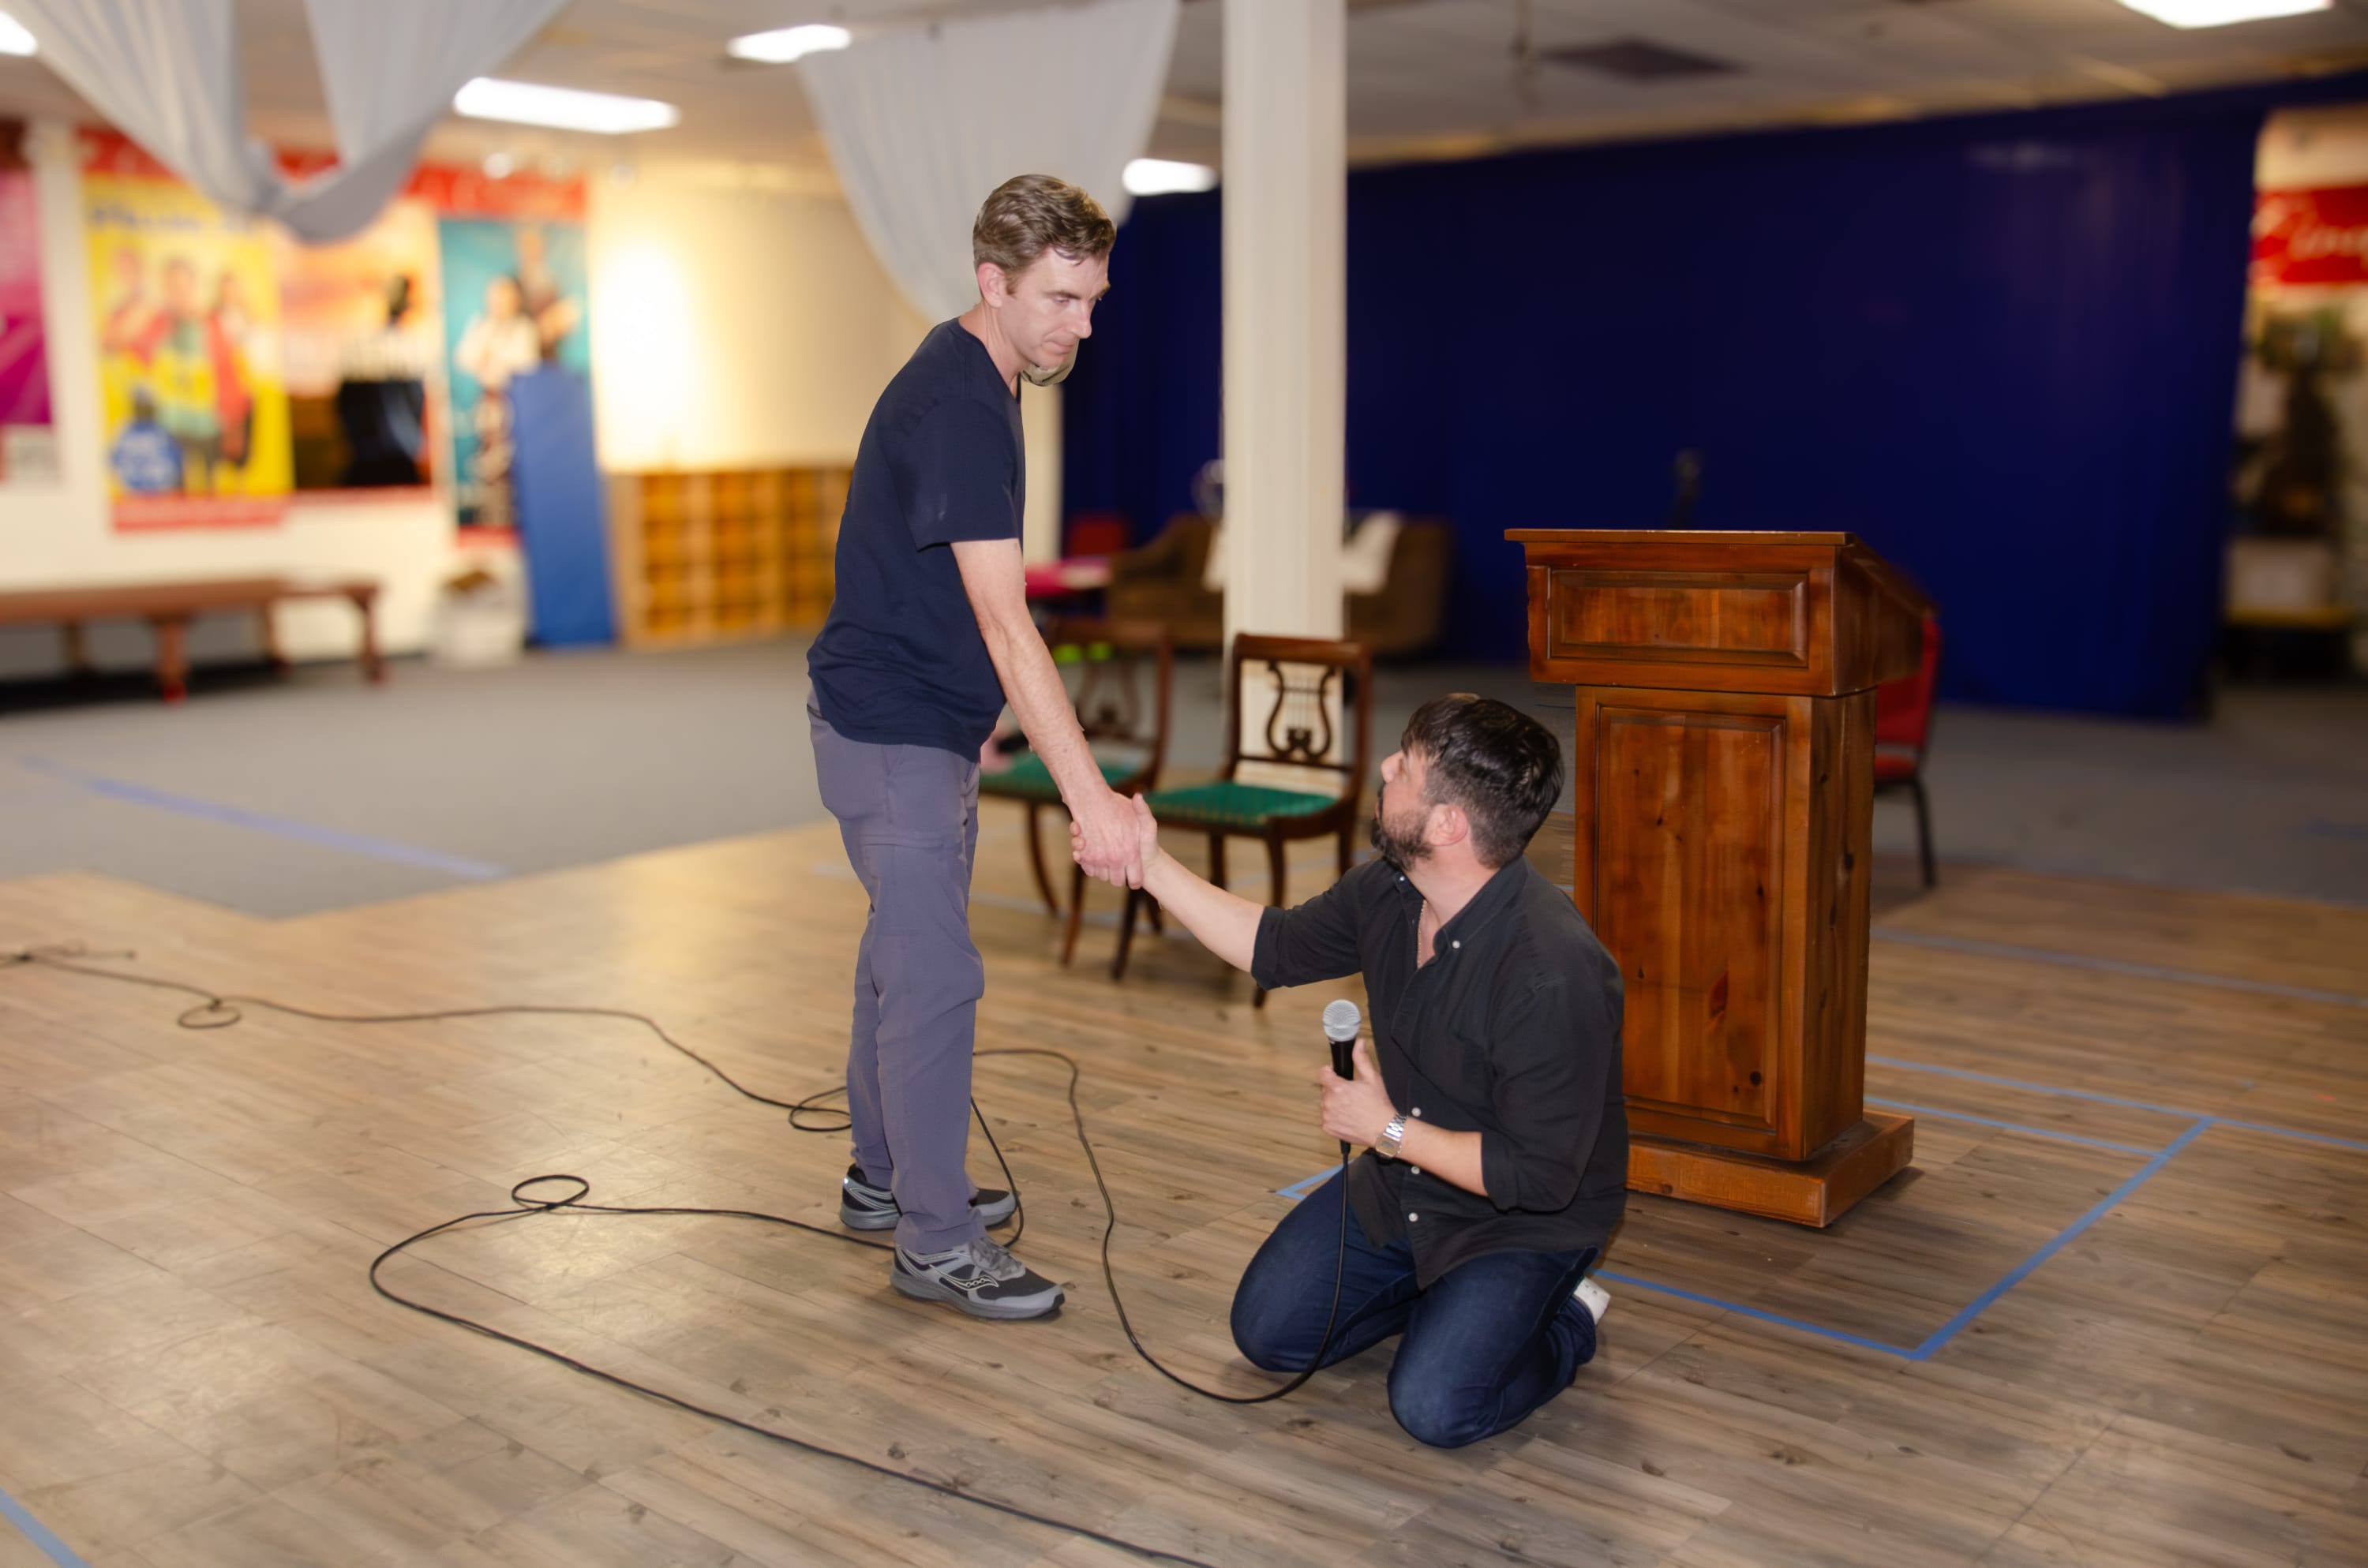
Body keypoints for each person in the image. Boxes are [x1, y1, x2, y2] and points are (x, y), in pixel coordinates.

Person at [805, 174, 1141, 1322]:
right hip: (888, 733)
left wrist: (981, 723)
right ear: (991, 282)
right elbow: (1008, 619)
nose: (1081, 325)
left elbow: (948, 596)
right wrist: (1090, 797)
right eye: (1060, 298)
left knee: (899, 958)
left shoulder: (988, 376)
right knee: (936, 973)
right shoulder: (954, 401)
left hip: (924, 724)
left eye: (1093, 299)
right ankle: (935, 1240)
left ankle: (883, 1178)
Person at [1115, 694, 1627, 1446]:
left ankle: (1567, 1319)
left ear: (1448, 825)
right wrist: (1149, 865)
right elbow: (1277, 946)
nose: (1385, 767)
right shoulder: (1390, 890)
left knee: (1435, 1406)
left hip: (1520, 1222)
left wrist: (1387, 1128)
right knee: (1267, 1333)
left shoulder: (1552, 973)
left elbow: (1541, 1177)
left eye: (1407, 765)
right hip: (1407, 1183)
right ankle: (1447, 1305)